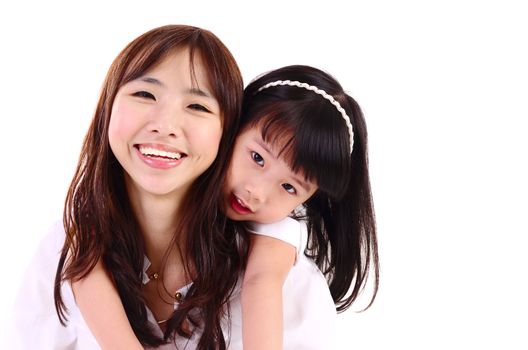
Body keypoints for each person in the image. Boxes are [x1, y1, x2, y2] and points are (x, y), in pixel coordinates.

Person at [67, 64, 380, 349]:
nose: (256, 191)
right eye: (257, 158)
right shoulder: (146, 192)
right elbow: (85, 269)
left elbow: (261, 285)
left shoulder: (275, 236)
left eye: (289, 187)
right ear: (232, 127)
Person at [5, 24, 246, 349]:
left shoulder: (269, 271)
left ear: (228, 132)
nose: (164, 126)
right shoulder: (64, 252)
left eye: (197, 106)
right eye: (145, 94)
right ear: (107, 109)